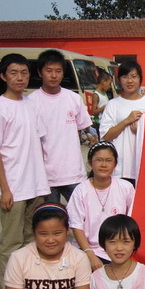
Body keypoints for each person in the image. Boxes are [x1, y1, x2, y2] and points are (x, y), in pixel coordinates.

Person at [0, 53, 50, 289]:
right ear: (3, 76)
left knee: (32, 241)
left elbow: (39, 143)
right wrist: (4, 189)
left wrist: (43, 179)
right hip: (14, 187)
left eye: (24, 73)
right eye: (14, 73)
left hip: (36, 185)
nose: (20, 78)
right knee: (11, 243)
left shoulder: (30, 104)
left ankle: (27, 288)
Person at [29, 49, 92, 203]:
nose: (54, 75)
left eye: (58, 71)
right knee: (51, 216)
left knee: (81, 214)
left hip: (74, 174)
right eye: (49, 71)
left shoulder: (74, 99)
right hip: (46, 177)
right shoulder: (31, 102)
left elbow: (81, 130)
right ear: (40, 72)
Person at [67, 141, 135, 270]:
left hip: (119, 249)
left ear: (115, 164)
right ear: (90, 163)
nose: (104, 165)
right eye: (99, 160)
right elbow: (76, 226)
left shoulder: (126, 188)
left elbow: (132, 220)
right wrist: (89, 254)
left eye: (108, 160)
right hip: (87, 249)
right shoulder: (81, 190)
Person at [99, 61, 145, 186]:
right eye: (125, 77)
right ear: (119, 80)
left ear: (140, 79)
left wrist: (139, 131)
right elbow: (106, 136)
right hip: (120, 168)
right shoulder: (113, 104)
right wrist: (126, 121)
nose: (129, 81)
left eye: (134, 76)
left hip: (144, 166)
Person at [91, 68, 113, 135]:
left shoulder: (105, 93)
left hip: (106, 122)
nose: (109, 86)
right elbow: (93, 111)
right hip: (99, 123)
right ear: (103, 82)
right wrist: (102, 108)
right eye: (109, 84)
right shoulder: (96, 95)